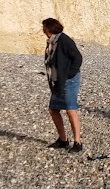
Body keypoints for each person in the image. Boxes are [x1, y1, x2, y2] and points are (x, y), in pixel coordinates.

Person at [42, 18, 83, 153]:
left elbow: (77, 57)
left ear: (49, 28)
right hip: (58, 80)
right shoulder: (52, 42)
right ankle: (63, 140)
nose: (43, 31)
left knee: (71, 110)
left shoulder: (64, 40)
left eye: (44, 28)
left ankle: (77, 142)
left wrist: (69, 74)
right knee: (53, 110)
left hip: (69, 80)